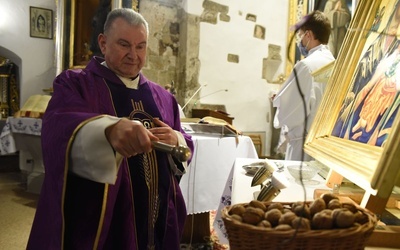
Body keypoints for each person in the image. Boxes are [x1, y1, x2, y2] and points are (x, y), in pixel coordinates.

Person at [27, 8, 194, 250]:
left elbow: (185, 145)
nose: (133, 55)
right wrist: (107, 131)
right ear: (103, 44)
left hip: (156, 215)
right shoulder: (76, 84)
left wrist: (175, 139)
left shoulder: (163, 98)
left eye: (141, 46)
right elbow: (57, 129)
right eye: (124, 45)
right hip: (104, 219)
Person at [272, 10, 334, 161]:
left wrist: (282, 100)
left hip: (303, 148)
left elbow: (289, 113)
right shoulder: (334, 63)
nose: (300, 41)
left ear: (308, 35)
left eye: (300, 36)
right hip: (325, 147)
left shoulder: (306, 66)